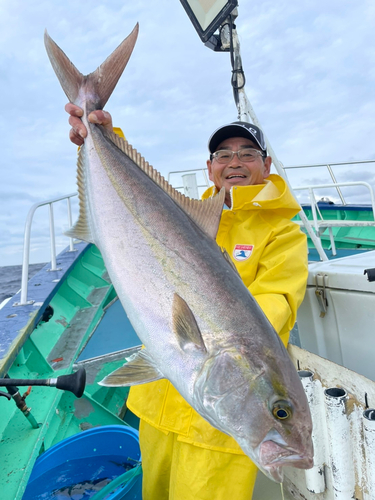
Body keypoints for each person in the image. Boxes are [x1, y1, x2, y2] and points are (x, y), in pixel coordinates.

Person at [66, 106, 308, 500]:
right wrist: (104, 133)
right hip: (157, 405)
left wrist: (225, 336)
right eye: (224, 154)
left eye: (247, 153)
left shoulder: (283, 233)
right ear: (209, 166)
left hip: (220, 430)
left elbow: (276, 303)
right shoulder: (183, 218)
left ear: (266, 165)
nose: (235, 162)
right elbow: (135, 199)